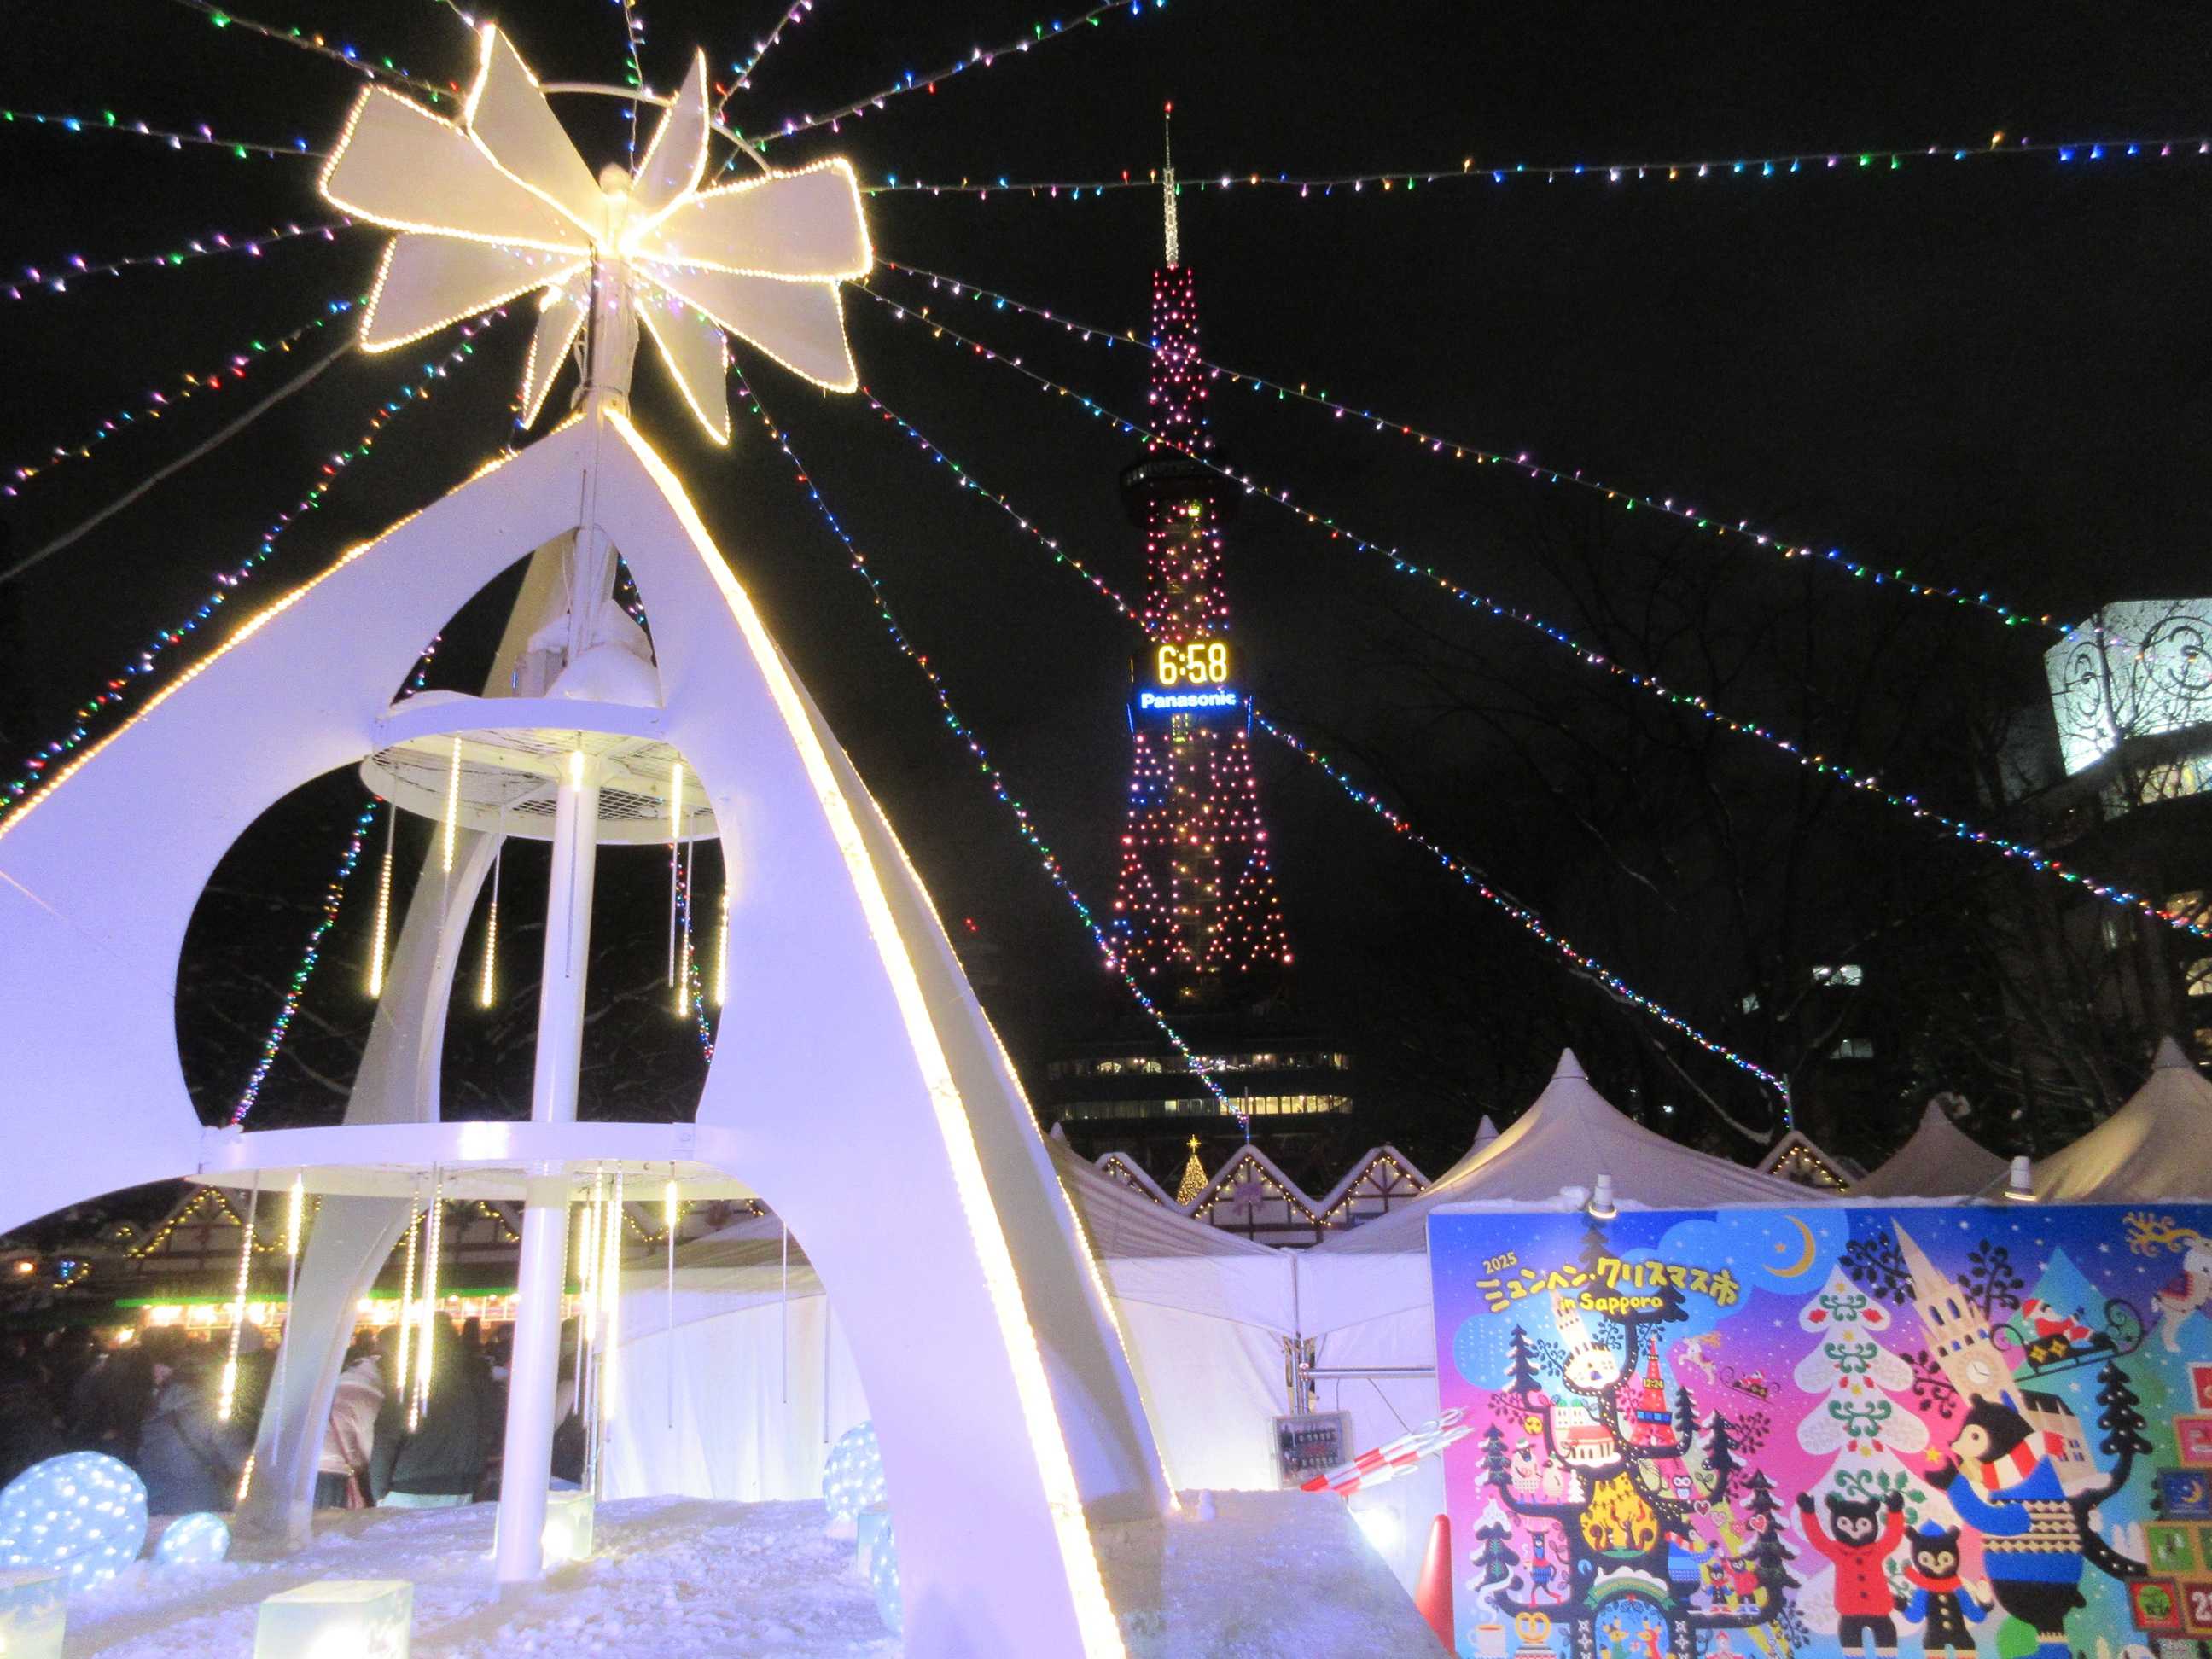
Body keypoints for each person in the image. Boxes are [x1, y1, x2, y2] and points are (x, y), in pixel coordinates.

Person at [369, 1317, 498, 1508]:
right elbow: (487, 1432)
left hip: (408, 1486)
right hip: (460, 1487)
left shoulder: (410, 1386)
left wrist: (379, 1492)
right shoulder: (477, 1383)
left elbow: (386, 1439)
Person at [136, 1338, 251, 1514]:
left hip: (157, 1504)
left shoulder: (158, 1405)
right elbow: (242, 1463)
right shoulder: (213, 1411)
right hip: (200, 1506)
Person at [316, 1339, 385, 1508]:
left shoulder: (327, 1390)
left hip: (309, 1472)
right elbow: (371, 1449)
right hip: (338, 1478)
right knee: (341, 1522)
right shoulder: (368, 1397)